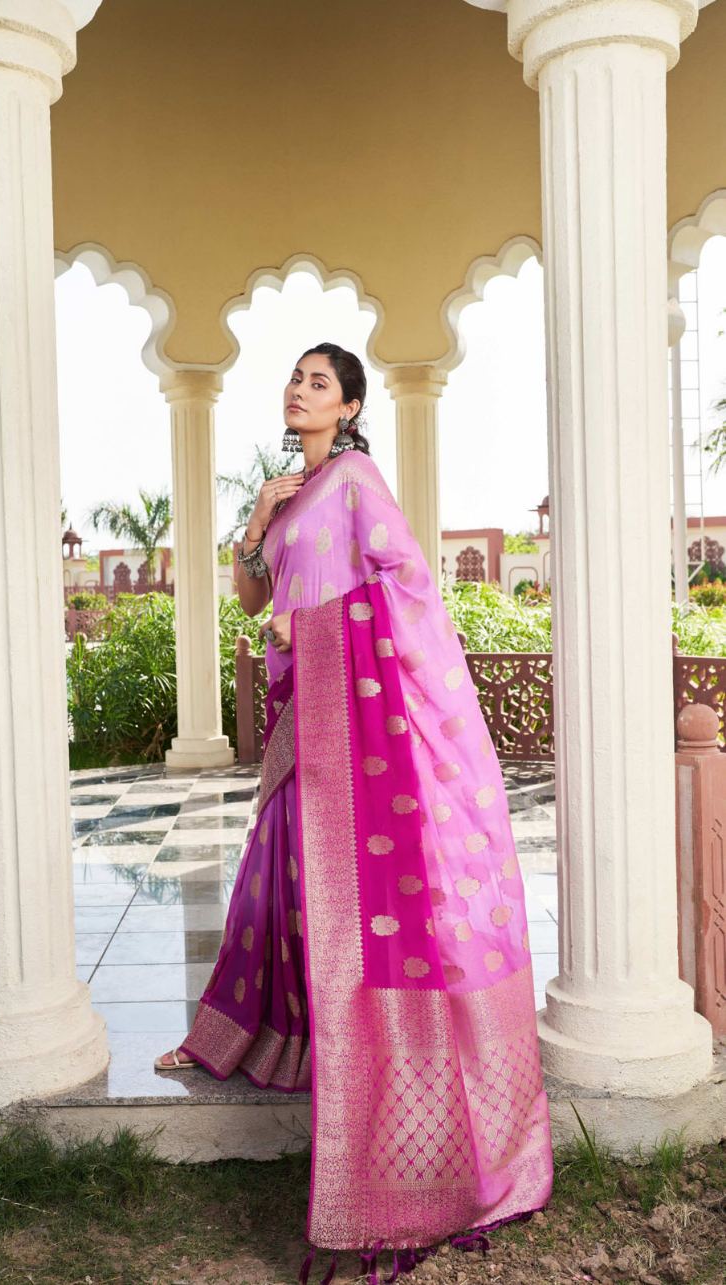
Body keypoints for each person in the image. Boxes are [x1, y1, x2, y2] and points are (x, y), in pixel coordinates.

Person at [156, 342, 554, 1283]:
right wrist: (254, 525)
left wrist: (324, 627)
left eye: (318, 382)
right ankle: (280, 1035)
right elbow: (256, 600)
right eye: (294, 379)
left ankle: (399, 1153)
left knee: (356, 917)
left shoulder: (356, 478)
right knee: (285, 884)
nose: (299, 391)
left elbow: (408, 584)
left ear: (350, 405)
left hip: (358, 721)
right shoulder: (289, 493)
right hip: (312, 720)